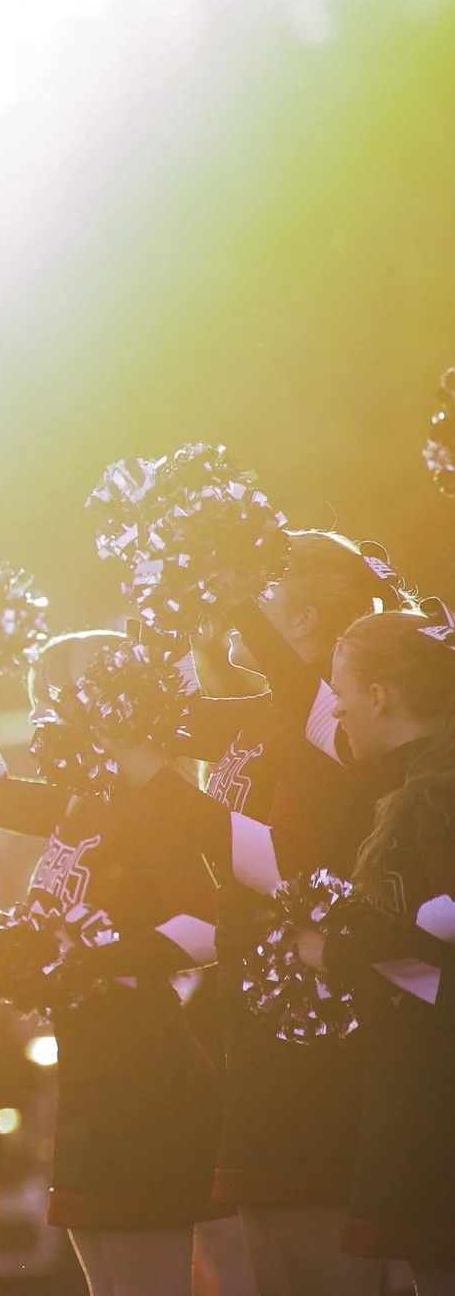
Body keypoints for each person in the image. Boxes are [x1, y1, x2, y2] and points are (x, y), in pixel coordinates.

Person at [112, 531, 410, 1296]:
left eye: (262, 592)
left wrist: (149, 774)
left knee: (316, 1262)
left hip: (316, 1023)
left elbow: (278, 863)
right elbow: (183, 715)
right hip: (257, 1013)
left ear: (300, 614)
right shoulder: (269, 710)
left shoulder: (334, 724)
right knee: (273, 1259)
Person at [0, 635, 225, 1296]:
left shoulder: (150, 806)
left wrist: (88, 957)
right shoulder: (81, 800)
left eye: (54, 701)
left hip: (145, 1073)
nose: (42, 721)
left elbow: (210, 926)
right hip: (89, 1071)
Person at [302, 606, 455, 1291]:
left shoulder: (436, 792)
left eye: (340, 694)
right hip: (414, 1075)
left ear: (379, 697)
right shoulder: (407, 781)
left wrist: (335, 949)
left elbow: (446, 918)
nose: (334, 713)